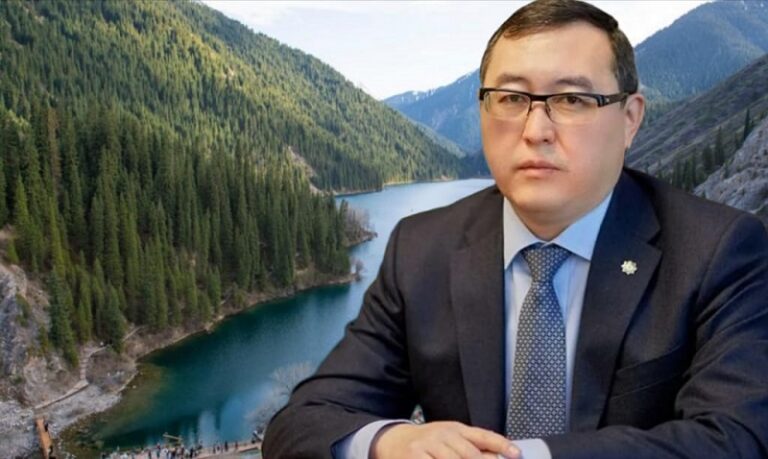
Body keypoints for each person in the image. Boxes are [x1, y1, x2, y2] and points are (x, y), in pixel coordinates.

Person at [262, 1, 768, 458]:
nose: (535, 130)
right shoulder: (420, 249)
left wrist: (524, 457)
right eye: (510, 98)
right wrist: (391, 442)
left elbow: (737, 438)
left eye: (572, 100)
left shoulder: (719, 251)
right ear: (484, 110)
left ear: (630, 119)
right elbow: (303, 424)